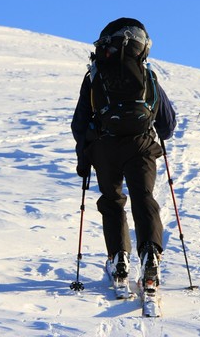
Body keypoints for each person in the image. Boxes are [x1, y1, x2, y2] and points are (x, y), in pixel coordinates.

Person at [71, 18, 177, 290]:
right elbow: (167, 123)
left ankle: (119, 258)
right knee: (143, 198)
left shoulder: (96, 73)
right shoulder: (146, 74)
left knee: (112, 201)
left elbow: (80, 122)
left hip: (105, 147)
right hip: (141, 146)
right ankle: (150, 254)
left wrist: (84, 159)